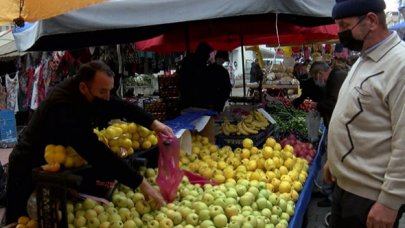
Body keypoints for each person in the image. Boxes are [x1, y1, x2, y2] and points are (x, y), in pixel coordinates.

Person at [5, 61, 173, 223]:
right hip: (28, 165)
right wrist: (140, 182)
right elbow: (95, 152)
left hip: (55, 163)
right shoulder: (63, 107)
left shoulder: (94, 92)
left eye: (109, 90)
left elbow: (121, 106)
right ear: (83, 87)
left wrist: (153, 123)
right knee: (22, 220)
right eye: (102, 92)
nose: (107, 98)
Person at [324, 0, 405, 227]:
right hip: (345, 187)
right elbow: (355, 117)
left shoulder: (400, 65)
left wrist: (390, 202)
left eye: (344, 24)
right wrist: (335, 160)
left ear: (371, 21)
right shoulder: (364, 59)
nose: (340, 33)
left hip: (370, 197)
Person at [177, 42, 214, 110]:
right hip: (194, 101)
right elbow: (200, 82)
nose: (209, 56)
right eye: (208, 53)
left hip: (190, 99)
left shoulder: (191, 61)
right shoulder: (197, 63)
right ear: (203, 53)